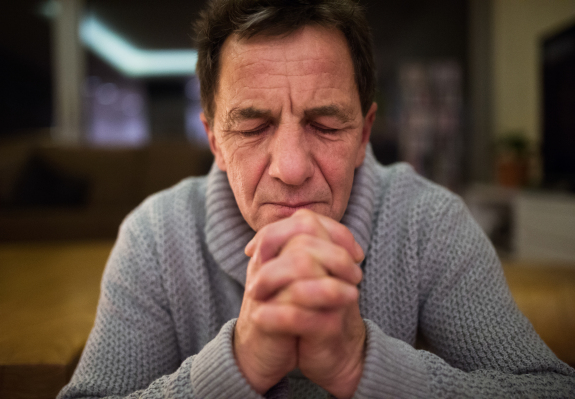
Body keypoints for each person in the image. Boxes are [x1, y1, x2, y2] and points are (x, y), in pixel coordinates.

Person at [58, 0, 575, 398]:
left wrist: (363, 363)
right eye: (253, 126)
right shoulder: (154, 236)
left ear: (365, 132)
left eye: (326, 125)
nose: (291, 168)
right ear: (215, 139)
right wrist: (234, 365)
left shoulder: (427, 220)